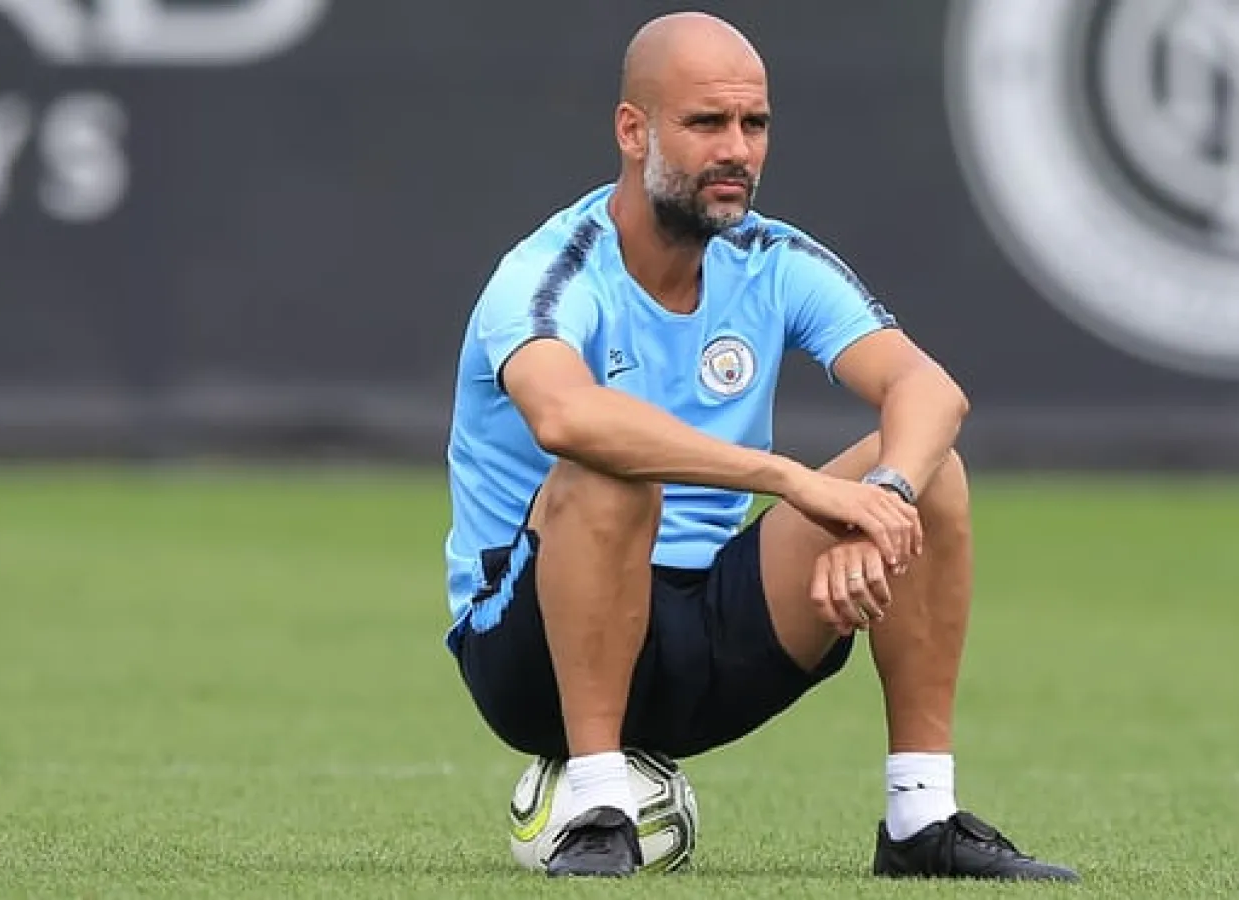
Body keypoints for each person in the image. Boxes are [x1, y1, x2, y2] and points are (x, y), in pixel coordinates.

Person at [441, 10, 1079, 882]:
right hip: (534, 656)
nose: (737, 148)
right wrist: (791, 481)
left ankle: (920, 817)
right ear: (635, 131)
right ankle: (596, 805)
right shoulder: (552, 271)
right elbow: (564, 418)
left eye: (755, 124)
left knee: (933, 473)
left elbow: (930, 390)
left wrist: (883, 500)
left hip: (709, 634)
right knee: (613, 469)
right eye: (707, 123)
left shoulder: (773, 260)